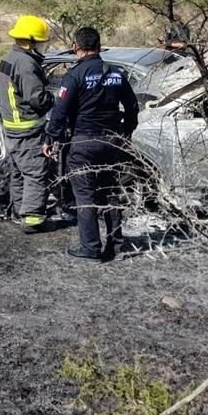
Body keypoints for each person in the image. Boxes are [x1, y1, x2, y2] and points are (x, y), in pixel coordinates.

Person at [44, 27, 139, 261]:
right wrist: (125, 133)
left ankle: (91, 248)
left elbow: (60, 111)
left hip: (84, 144)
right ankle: (117, 245)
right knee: (110, 194)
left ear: (75, 47)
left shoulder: (75, 75)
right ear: (99, 46)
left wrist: (51, 138)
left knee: (85, 196)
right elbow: (132, 107)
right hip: (111, 143)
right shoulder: (117, 73)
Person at [0, 15, 56, 233]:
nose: (43, 46)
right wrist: (54, 99)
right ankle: (33, 219)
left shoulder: (8, 58)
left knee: (19, 171)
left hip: (11, 127)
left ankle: (19, 210)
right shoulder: (26, 64)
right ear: (30, 41)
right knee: (35, 172)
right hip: (28, 127)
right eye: (41, 42)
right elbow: (37, 99)